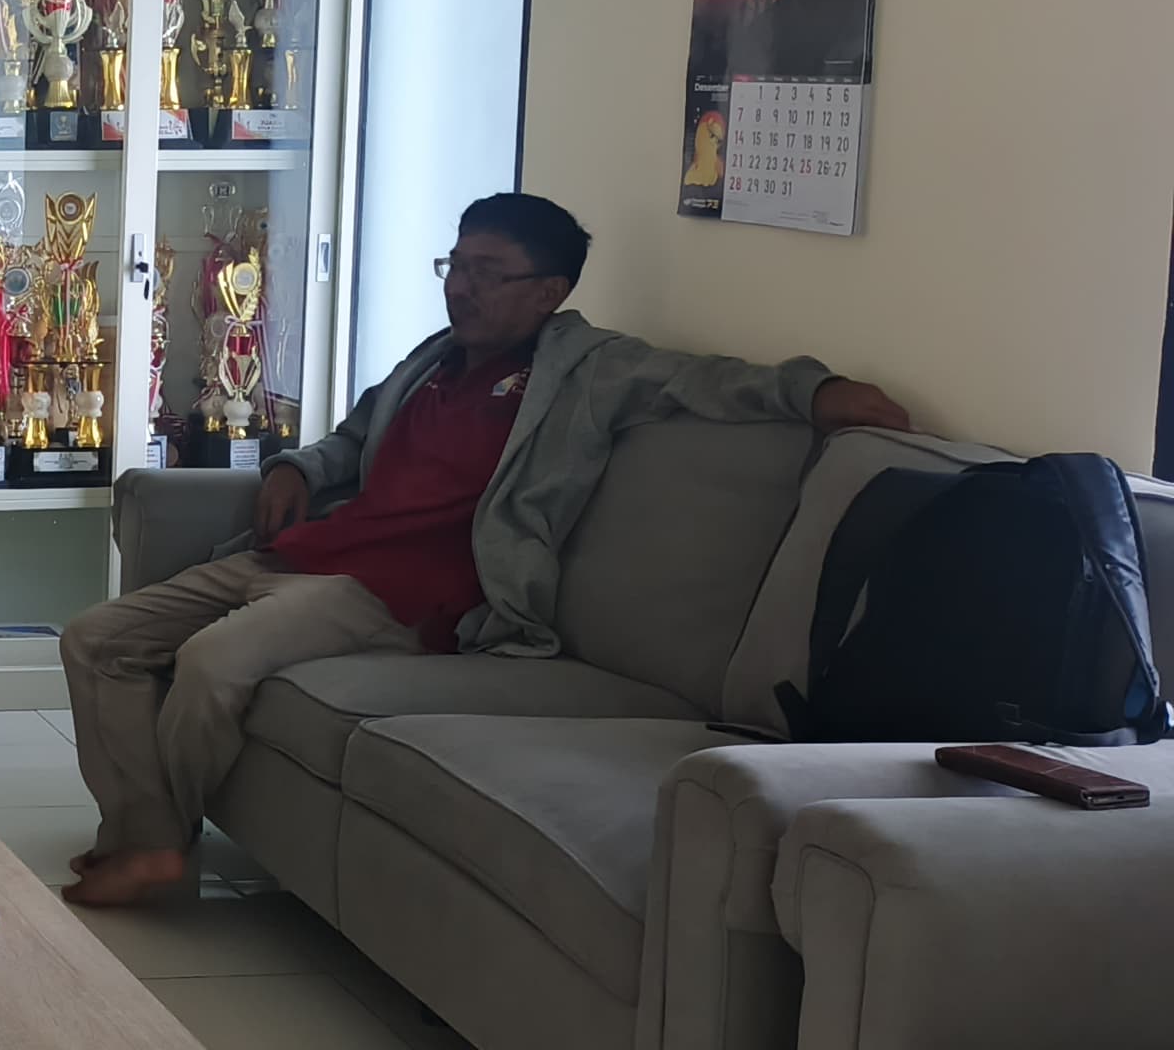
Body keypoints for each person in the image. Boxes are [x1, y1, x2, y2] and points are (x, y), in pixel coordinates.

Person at [57, 193, 911, 907]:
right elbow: (352, 438)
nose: (460, 288)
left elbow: (705, 380)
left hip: (396, 596)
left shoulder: (589, 369)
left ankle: (157, 848)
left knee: (210, 663)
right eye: (455, 266)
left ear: (548, 292)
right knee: (97, 639)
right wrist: (294, 466)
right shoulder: (434, 359)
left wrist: (819, 393)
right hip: (301, 555)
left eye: (487, 273)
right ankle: (140, 829)